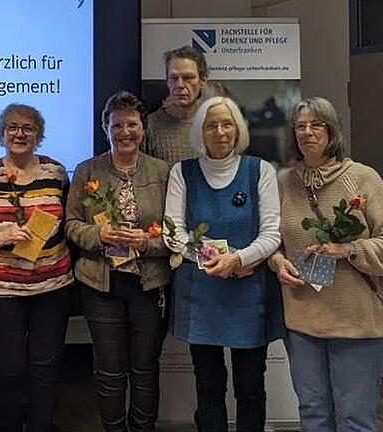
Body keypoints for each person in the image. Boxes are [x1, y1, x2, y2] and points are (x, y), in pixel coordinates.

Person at [164, 97, 282, 431]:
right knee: (209, 388)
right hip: (202, 296)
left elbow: (272, 233)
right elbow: (173, 234)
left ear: (238, 129)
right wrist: (213, 261)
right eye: (211, 125)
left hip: (248, 294)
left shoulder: (260, 171)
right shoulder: (181, 172)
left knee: (250, 389)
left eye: (227, 124)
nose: (219, 131)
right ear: (200, 131)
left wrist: (238, 259)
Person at [269, 96, 383, 432]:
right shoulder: (283, 182)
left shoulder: (363, 178)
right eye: (300, 126)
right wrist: (276, 261)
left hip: (356, 321)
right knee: (313, 414)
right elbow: (271, 240)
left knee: (354, 418)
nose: (307, 132)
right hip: (302, 320)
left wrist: (347, 250)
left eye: (316, 124)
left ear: (332, 131)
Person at [65, 91, 171, 432]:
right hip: (101, 284)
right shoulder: (87, 170)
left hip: (148, 282)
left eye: (132, 124)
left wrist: (148, 243)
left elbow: (175, 232)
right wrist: (101, 237)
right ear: (104, 128)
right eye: (116, 125)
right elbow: (71, 225)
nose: (125, 132)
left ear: (142, 129)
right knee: (109, 369)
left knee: (145, 368)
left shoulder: (163, 172)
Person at [0, 103, 73, 432]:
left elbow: (70, 223)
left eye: (28, 128)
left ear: (38, 134)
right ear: (1, 133)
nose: (19, 133)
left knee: (46, 367)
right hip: (1, 290)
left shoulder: (56, 173)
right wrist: (1, 237)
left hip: (52, 287)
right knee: (7, 370)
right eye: (12, 127)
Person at [143, 45, 209, 168]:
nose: (180, 85)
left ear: (202, 81)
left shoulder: (213, 125)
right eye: (173, 78)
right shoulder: (149, 127)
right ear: (167, 81)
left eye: (188, 78)